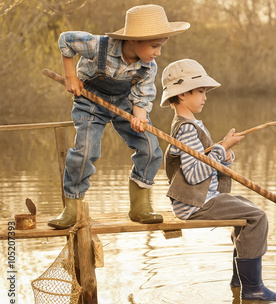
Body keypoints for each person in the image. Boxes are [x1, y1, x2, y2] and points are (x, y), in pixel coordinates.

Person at [48, 5, 190, 229]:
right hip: (90, 101)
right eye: (154, 46)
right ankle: (72, 208)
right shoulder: (99, 45)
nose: (158, 52)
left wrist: (139, 117)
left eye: (160, 46)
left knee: (151, 147)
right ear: (134, 40)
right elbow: (66, 40)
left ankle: (140, 206)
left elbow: (142, 96)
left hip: (125, 103)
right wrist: (71, 77)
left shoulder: (148, 67)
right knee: (86, 151)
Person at [161, 59, 276, 302]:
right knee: (257, 218)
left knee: (247, 213)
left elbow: (206, 161)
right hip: (195, 204)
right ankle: (253, 289)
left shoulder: (190, 124)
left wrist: (224, 152)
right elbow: (195, 173)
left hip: (203, 198)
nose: (205, 97)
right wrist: (221, 148)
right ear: (183, 94)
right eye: (200, 92)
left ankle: (239, 281)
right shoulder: (186, 129)